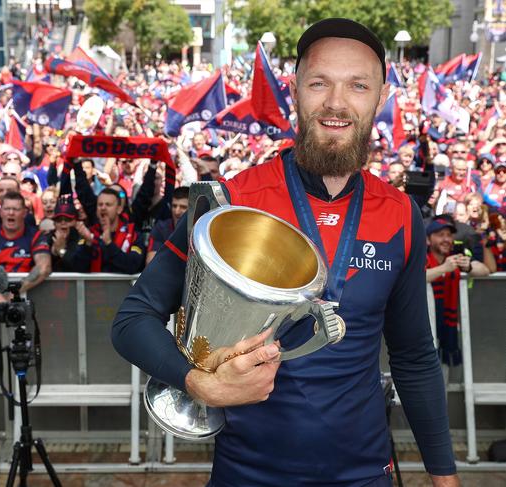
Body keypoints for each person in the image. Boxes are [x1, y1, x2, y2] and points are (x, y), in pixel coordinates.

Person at [112, 19, 460, 487]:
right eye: (320, 83)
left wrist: (444, 476)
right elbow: (132, 318)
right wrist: (199, 383)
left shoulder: (401, 214)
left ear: (380, 98)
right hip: (246, 474)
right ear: (295, 90)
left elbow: (415, 355)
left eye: (358, 85)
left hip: (363, 474)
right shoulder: (231, 200)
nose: (337, 102)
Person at [425, 218, 490, 366]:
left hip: (447, 327)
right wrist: (443, 269)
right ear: (428, 240)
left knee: (444, 370)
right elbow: (412, 279)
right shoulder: (420, 257)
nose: (446, 239)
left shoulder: (455, 257)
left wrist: (468, 267)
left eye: (449, 235)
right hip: (422, 327)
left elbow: (485, 270)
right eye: (440, 235)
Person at [0, 191, 51, 297]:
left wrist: (14, 293)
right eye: (6, 209)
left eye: (16, 209)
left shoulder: (36, 235)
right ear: (0, 212)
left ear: (24, 213)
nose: (11, 213)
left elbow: (44, 267)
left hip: (25, 295)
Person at [88, 188, 145, 273]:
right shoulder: (89, 233)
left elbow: (133, 265)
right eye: (100, 205)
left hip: (123, 286)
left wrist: (109, 244)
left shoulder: (133, 234)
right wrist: (86, 245)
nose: (103, 208)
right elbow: (77, 266)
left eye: (108, 205)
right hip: (93, 286)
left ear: (119, 209)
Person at [146, 186, 189, 265]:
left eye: (183, 207)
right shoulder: (161, 228)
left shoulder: (199, 231)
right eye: (174, 206)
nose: (177, 212)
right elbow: (151, 262)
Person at [48, 197, 93, 272]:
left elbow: (81, 268)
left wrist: (61, 251)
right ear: (54, 223)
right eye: (59, 220)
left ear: (76, 221)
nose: (63, 223)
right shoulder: (48, 238)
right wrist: (54, 253)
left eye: (67, 219)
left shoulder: (82, 239)